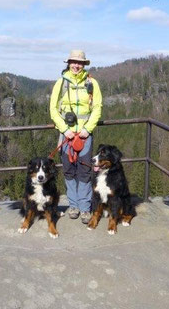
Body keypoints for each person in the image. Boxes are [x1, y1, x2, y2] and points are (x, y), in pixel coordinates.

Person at [49, 50, 102, 224]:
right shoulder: (61, 83)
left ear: (84, 64)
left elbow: (97, 108)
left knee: (85, 171)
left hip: (85, 135)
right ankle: (73, 206)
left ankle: (85, 208)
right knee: (69, 171)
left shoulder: (92, 83)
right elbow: (53, 109)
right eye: (73, 62)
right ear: (69, 63)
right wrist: (65, 130)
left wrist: (87, 129)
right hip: (67, 135)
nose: (76, 65)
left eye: (79, 62)